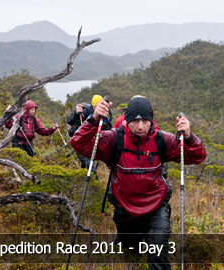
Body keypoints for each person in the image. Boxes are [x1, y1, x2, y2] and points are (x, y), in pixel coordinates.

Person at [70, 96, 206, 269]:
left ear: (151, 120)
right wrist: (93, 119)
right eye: (135, 121)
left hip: (156, 206)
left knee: (157, 255)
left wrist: (189, 137)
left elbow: (197, 156)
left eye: (145, 120)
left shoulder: (161, 140)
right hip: (125, 208)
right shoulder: (114, 139)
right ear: (127, 120)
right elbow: (78, 143)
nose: (141, 126)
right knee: (131, 252)